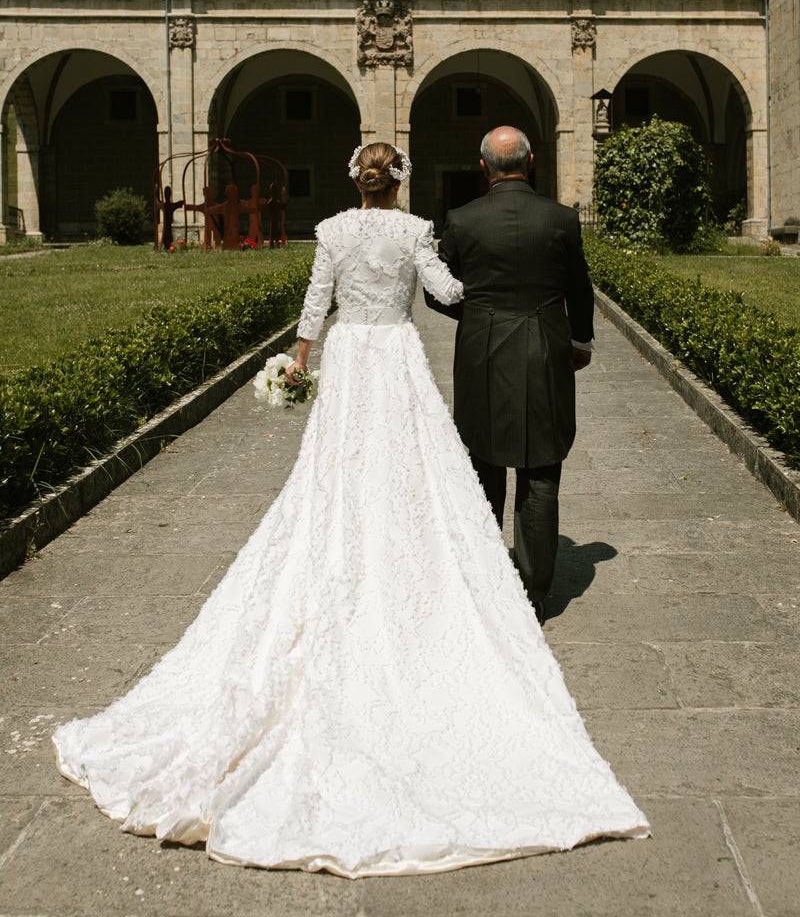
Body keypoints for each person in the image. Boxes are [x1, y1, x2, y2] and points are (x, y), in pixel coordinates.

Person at [53, 142, 648, 878]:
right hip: (396, 358)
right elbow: (450, 292)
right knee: (416, 472)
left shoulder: (331, 230)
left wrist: (300, 360)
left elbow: (315, 302)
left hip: (351, 359)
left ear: (355, 182)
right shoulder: (414, 231)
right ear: (397, 183)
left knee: (336, 476)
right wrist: (506, 289)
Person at [425, 126, 594, 624]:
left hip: (483, 351)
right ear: (532, 161)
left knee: (484, 462)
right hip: (546, 346)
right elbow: (578, 288)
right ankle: (535, 594)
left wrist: (481, 314)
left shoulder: (462, 218)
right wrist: (578, 338)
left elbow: (438, 291)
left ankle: (484, 581)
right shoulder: (561, 218)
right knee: (541, 468)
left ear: (483, 167)